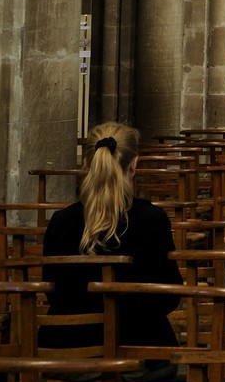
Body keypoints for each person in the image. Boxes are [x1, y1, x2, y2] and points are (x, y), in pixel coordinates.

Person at [40, 122, 183, 364]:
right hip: (137, 348)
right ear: (134, 164)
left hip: (67, 349)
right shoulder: (152, 219)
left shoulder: (61, 221)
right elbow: (169, 294)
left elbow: (53, 292)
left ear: (86, 164)